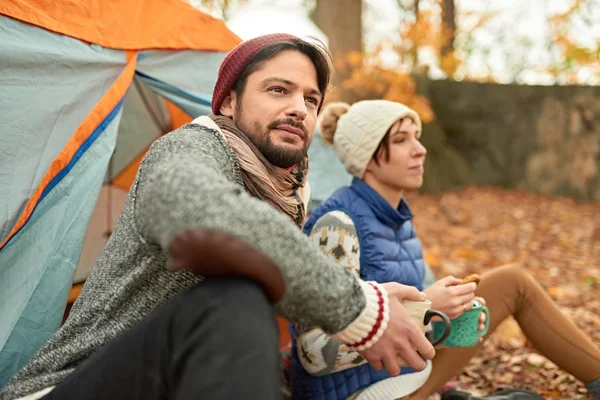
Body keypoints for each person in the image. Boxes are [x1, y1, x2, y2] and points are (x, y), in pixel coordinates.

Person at [0, 35, 437, 400]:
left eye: (311, 98)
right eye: (278, 90)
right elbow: (206, 220)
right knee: (236, 298)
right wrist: (360, 309)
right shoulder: (190, 149)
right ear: (228, 102)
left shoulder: (285, 194)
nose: (299, 109)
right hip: (66, 387)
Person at [290, 100, 600, 400]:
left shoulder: (396, 219)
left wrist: (449, 320)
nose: (420, 149)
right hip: (364, 393)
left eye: (417, 137)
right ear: (366, 157)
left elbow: (410, 329)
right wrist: (423, 311)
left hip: (404, 376)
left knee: (511, 283)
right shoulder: (337, 226)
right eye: (401, 140)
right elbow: (312, 353)